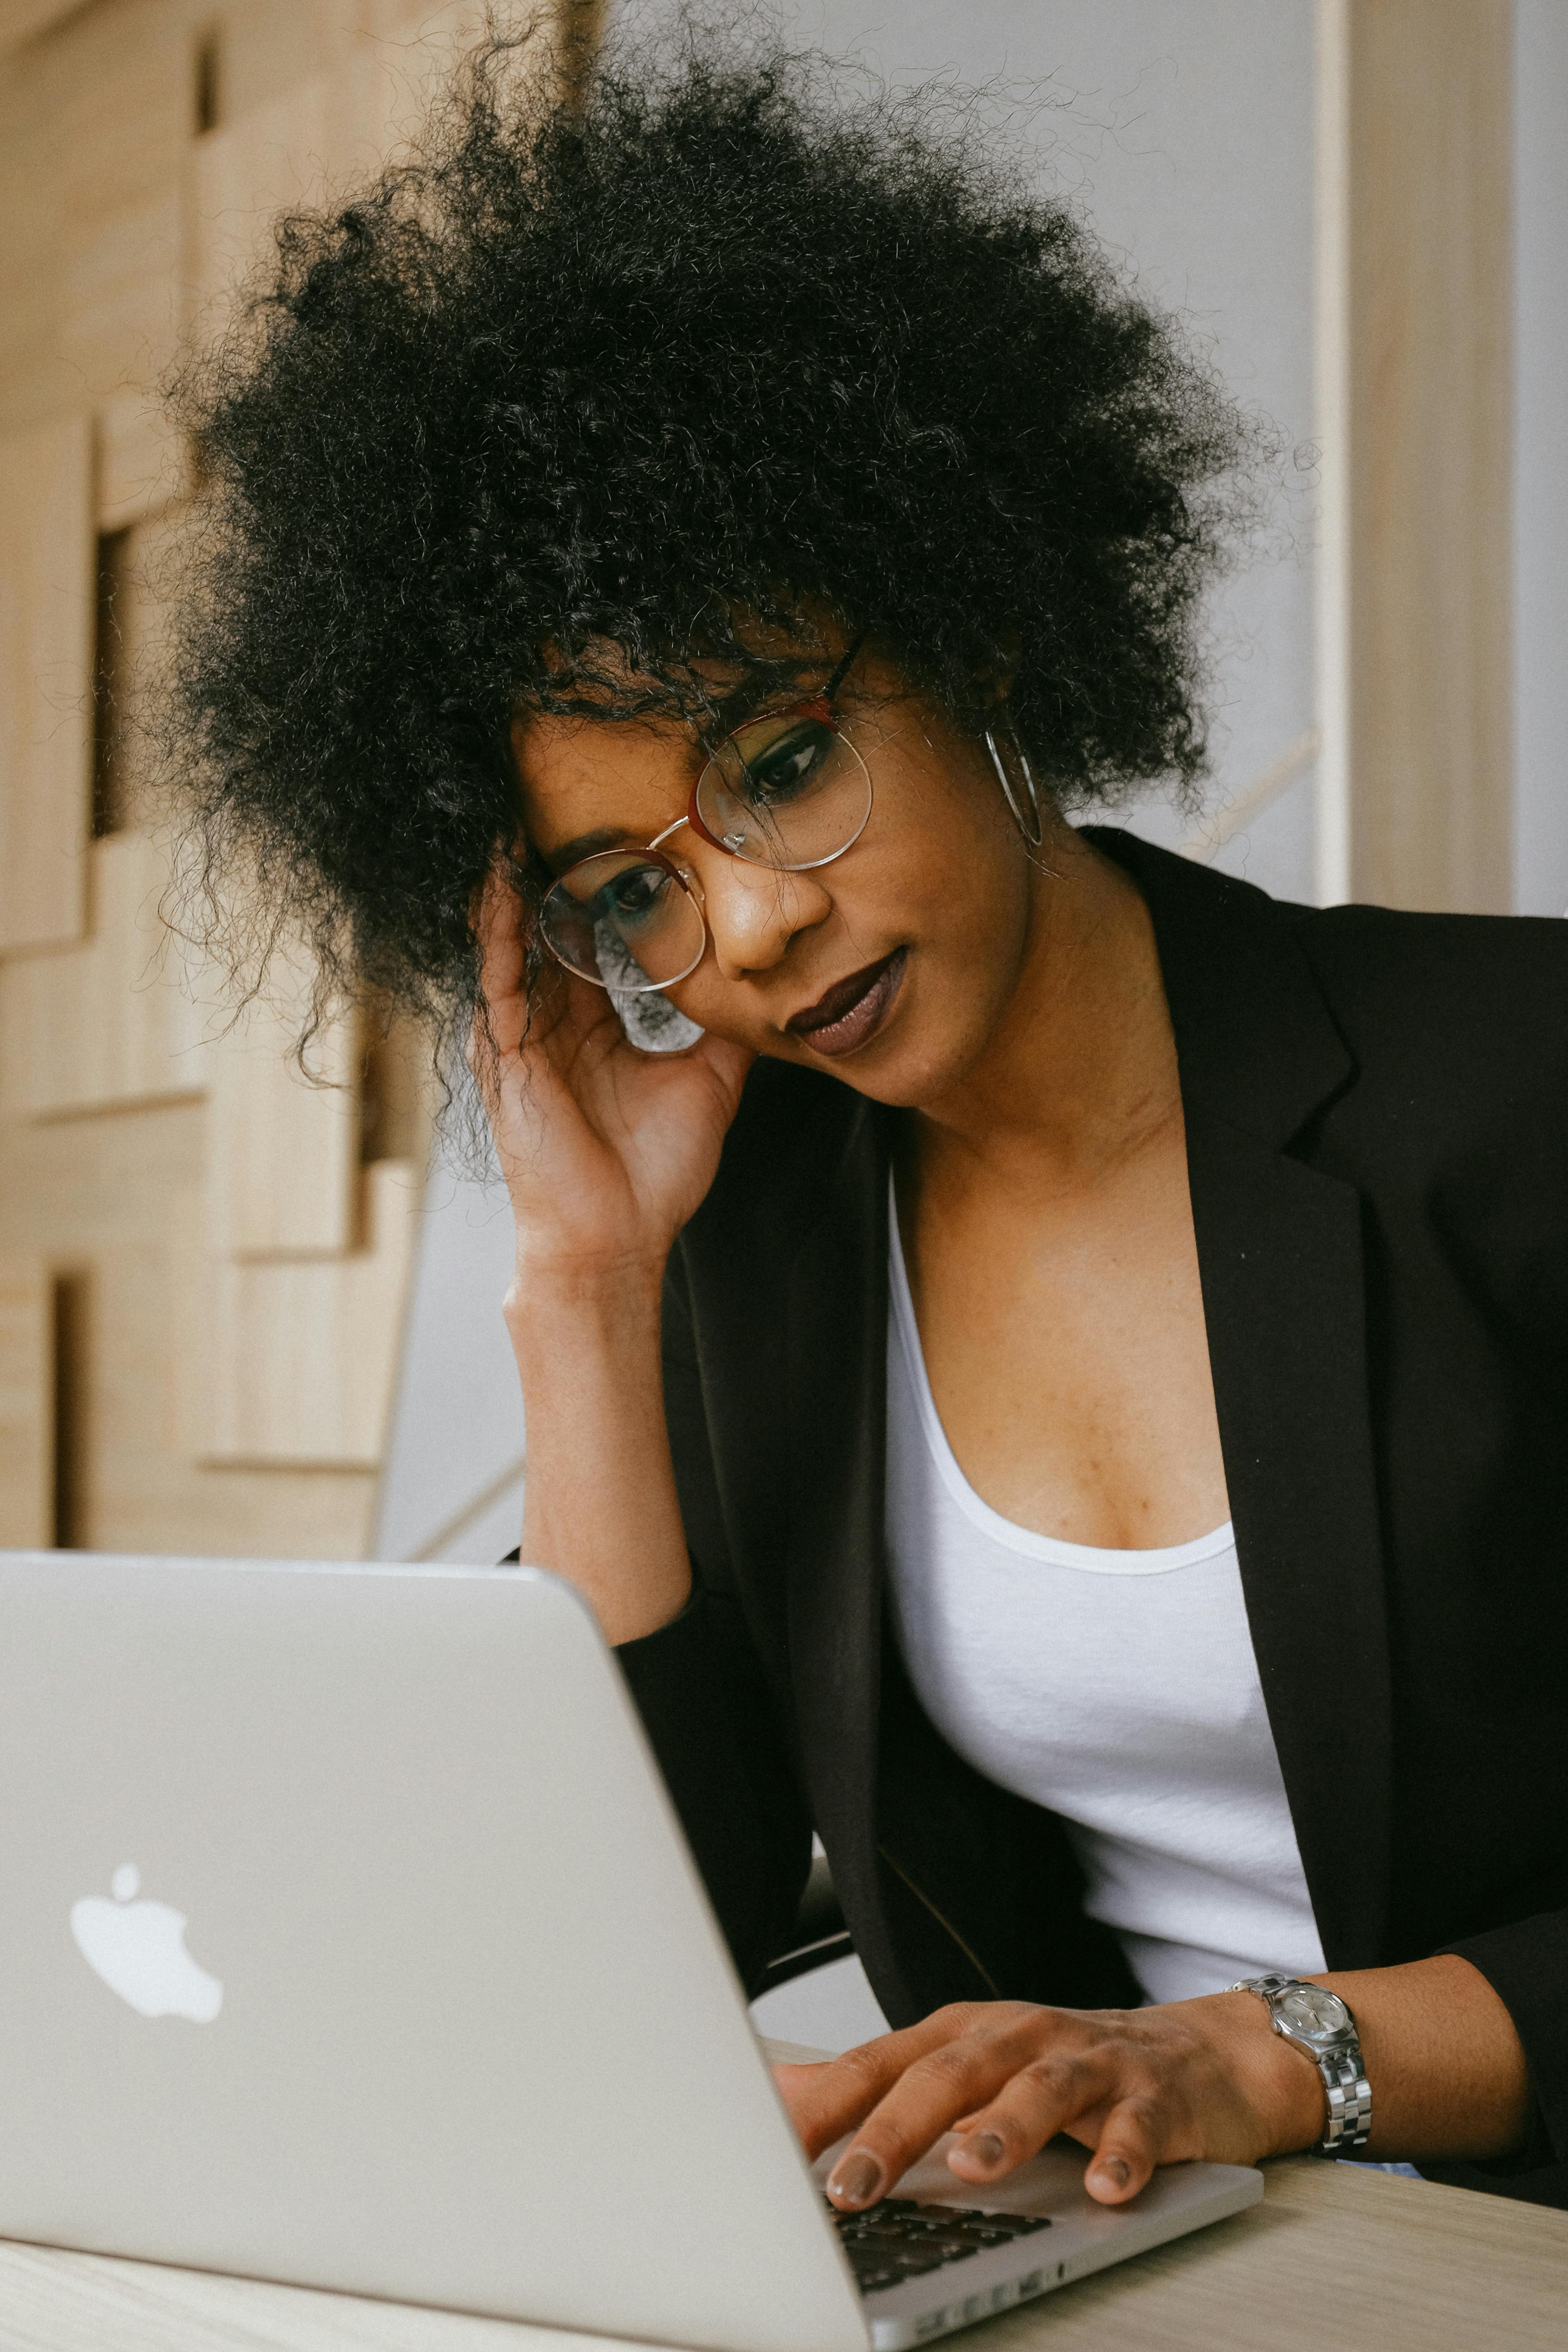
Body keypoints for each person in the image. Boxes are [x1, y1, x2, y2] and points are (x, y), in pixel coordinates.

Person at [170, 27, 1568, 2211]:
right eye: (628, 886)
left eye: (788, 760)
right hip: (1118, 2266)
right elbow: (651, 1922)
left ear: (984, 626)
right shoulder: (766, 1223)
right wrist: (589, 1281)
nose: (739, 923)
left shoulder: (1514, 1081)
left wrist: (1261, 2059)